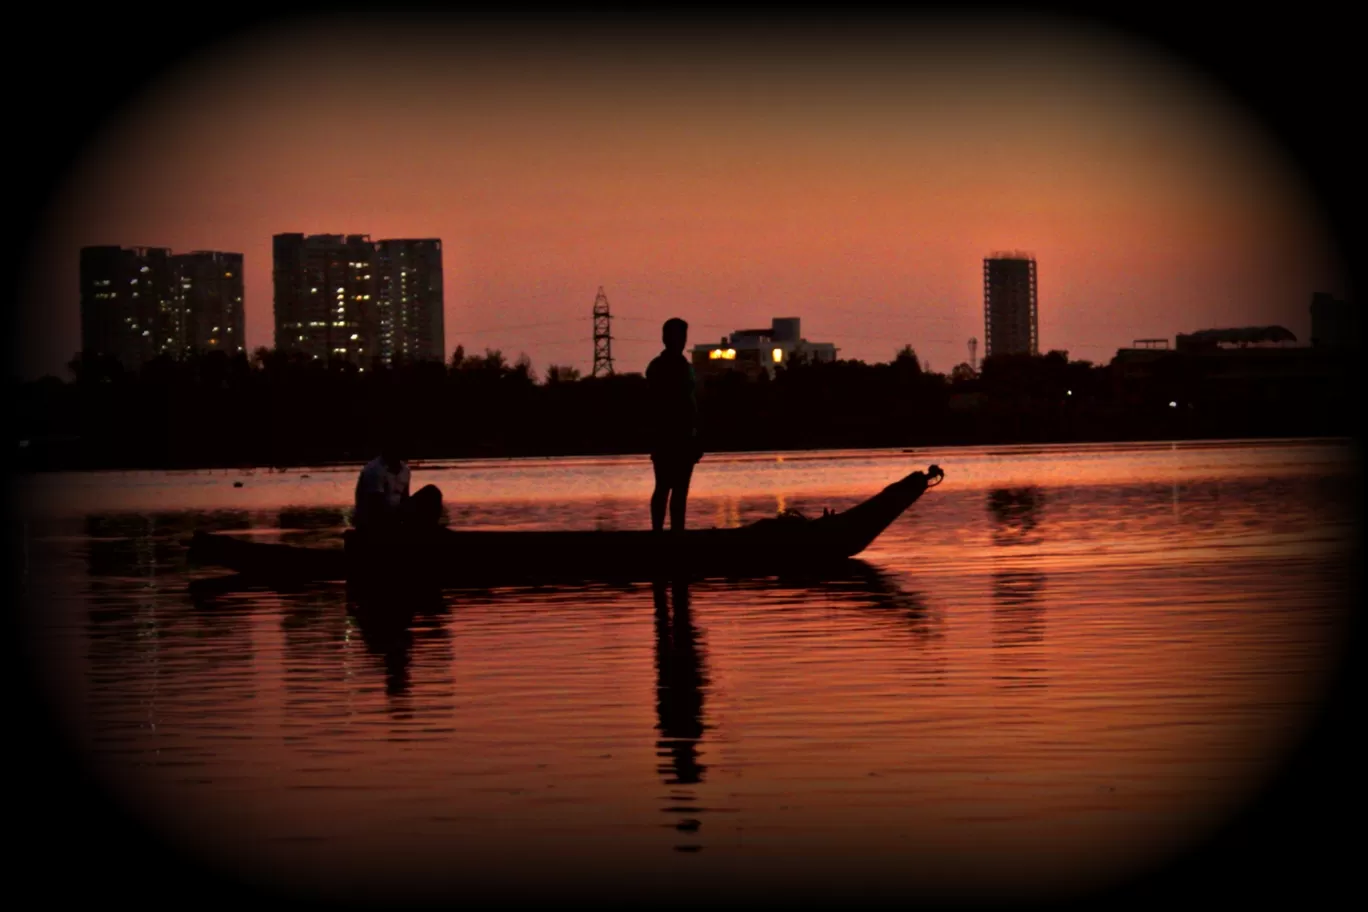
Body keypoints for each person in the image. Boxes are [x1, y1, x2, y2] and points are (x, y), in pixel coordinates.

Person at [646, 317, 703, 532]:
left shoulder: (683, 366)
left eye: (683, 336)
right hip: (667, 436)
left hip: (683, 435)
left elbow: (691, 403)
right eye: (678, 336)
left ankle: (676, 529)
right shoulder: (660, 367)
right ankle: (659, 530)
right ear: (666, 338)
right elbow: (658, 403)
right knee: (664, 486)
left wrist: (695, 434)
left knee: (679, 489)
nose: (682, 341)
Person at [354, 443, 443, 534]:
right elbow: (375, 505)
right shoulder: (374, 470)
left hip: (396, 514)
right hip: (375, 518)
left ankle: (431, 528)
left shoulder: (405, 470)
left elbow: (405, 499)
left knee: (431, 492)